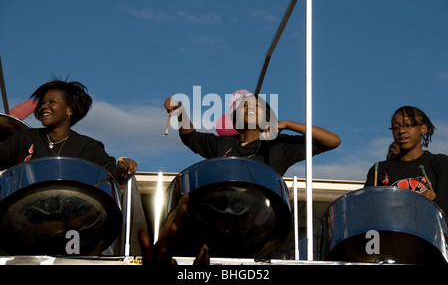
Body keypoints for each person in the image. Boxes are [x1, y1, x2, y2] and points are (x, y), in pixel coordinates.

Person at [0, 78, 146, 255]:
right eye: (43, 102)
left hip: (75, 235)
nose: (44, 106)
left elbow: (111, 177)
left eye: (52, 102)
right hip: (28, 230)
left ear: (69, 109)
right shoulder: (25, 138)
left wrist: (122, 167)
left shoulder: (89, 147)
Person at [164, 93, 341, 177]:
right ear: (235, 119)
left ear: (267, 118)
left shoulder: (279, 145)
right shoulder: (222, 143)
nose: (250, 109)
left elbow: (333, 141)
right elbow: (190, 137)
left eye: (257, 107)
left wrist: (287, 124)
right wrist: (180, 112)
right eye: (245, 106)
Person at [365, 106, 448, 215]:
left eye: (408, 125)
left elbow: (443, 210)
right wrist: (416, 201)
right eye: (395, 127)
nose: (401, 131)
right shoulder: (379, 169)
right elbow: (369, 211)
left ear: (423, 128)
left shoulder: (440, 163)